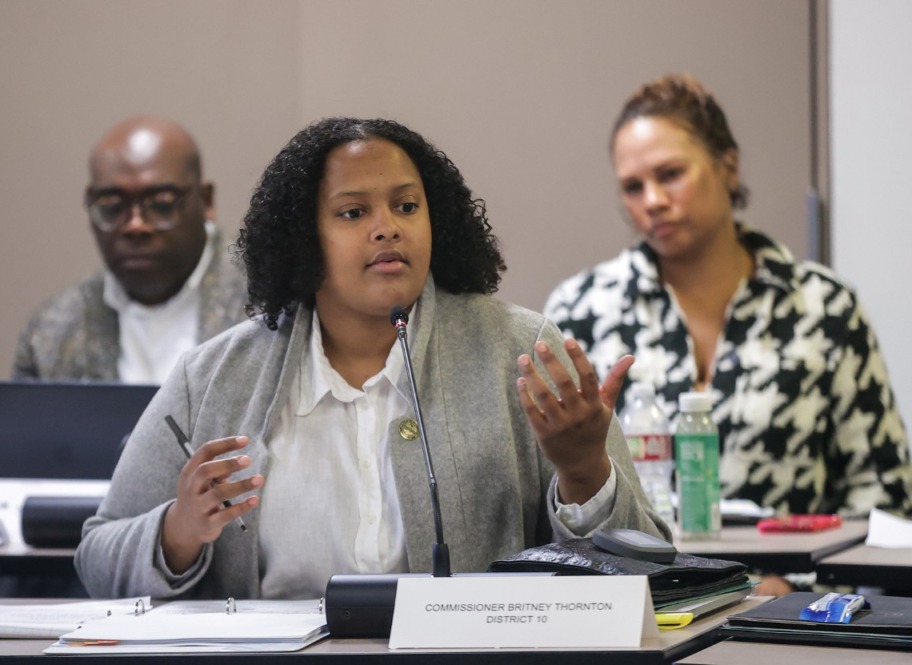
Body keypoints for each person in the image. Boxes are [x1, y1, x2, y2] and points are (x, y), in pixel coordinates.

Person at [75, 117, 668, 600]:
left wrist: (585, 470)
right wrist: (177, 533)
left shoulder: (519, 351)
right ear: (305, 238)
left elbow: (653, 570)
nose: (387, 228)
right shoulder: (213, 377)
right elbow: (96, 555)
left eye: (407, 207)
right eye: (354, 212)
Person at [545, 74, 912, 594]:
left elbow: (883, 500)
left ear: (728, 166)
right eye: (632, 186)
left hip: (796, 612)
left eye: (670, 174)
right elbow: (554, 498)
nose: (651, 200)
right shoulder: (581, 310)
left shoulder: (824, 307)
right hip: (637, 606)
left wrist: (803, 591)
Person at [13, 116, 247, 384]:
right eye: (112, 206)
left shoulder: (274, 307)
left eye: (162, 204)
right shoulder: (50, 333)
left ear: (206, 201)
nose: (136, 226)